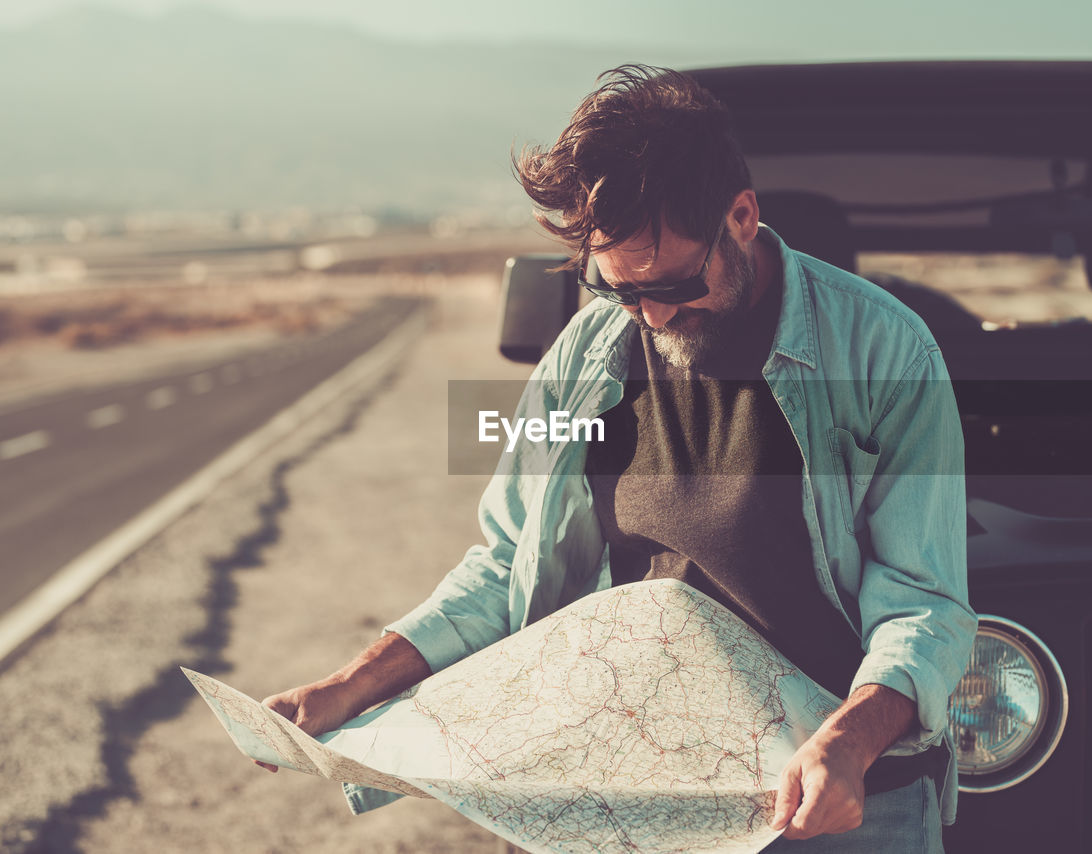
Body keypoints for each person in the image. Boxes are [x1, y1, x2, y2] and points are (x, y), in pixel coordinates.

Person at [259, 65, 975, 850]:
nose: (652, 314)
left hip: (836, 809)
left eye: (672, 283)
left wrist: (848, 744)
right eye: (620, 290)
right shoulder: (578, 360)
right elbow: (503, 566)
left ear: (741, 217)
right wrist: (345, 689)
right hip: (630, 807)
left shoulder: (886, 350)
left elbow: (924, 604)